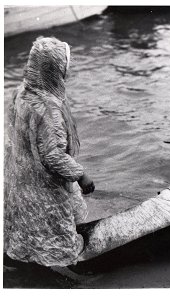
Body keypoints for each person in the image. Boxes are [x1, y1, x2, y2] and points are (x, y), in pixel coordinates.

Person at [4, 37, 95, 267]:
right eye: (64, 65)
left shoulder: (20, 92)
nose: (67, 70)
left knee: (28, 218)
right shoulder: (49, 109)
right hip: (43, 179)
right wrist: (81, 175)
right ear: (53, 69)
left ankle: (23, 255)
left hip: (22, 172)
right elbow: (53, 156)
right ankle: (63, 258)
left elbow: (11, 131)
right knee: (54, 222)